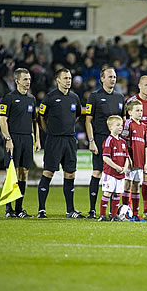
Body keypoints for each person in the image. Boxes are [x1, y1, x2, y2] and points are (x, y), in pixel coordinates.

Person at [36, 68, 83, 219]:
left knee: (70, 174)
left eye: (70, 77)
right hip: (54, 140)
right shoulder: (50, 97)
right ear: (58, 80)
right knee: (48, 172)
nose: (68, 80)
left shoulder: (75, 98)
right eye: (65, 78)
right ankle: (41, 210)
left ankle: (70, 210)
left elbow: (77, 116)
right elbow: (41, 117)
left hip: (69, 140)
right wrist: (49, 131)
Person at [0, 68, 41, 218]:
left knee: (24, 173)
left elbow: (35, 121)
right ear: (17, 81)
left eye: (29, 79)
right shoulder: (8, 98)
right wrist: (8, 139)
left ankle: (19, 208)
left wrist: (37, 139)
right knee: (12, 173)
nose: (28, 82)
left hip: (27, 139)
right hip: (14, 138)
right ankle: (8, 209)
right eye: (25, 79)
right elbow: (2, 120)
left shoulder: (32, 99)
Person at [85, 67, 125, 218]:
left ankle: (112, 212)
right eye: (109, 77)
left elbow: (122, 121)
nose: (113, 79)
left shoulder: (120, 97)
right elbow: (88, 121)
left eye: (114, 77)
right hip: (100, 139)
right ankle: (92, 209)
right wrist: (91, 141)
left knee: (116, 174)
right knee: (97, 172)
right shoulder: (94, 96)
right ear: (102, 79)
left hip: (116, 142)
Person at [126, 76, 147, 219]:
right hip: (134, 148)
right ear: (139, 85)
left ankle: (146, 210)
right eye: (146, 85)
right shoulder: (131, 102)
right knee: (131, 179)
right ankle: (126, 209)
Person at [97, 116, 130, 221]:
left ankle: (114, 215)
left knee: (117, 194)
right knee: (107, 192)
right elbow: (105, 158)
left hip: (120, 173)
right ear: (110, 127)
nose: (121, 127)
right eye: (118, 125)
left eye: (121, 125)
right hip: (110, 173)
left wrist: (124, 168)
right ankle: (102, 215)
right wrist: (116, 167)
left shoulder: (123, 142)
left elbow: (127, 158)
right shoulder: (109, 141)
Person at [122, 100, 147, 221]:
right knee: (127, 185)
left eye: (141, 110)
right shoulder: (128, 123)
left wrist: (145, 161)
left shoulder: (143, 126)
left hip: (140, 162)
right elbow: (124, 143)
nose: (140, 112)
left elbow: (145, 146)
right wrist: (128, 158)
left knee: (137, 186)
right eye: (137, 110)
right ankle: (126, 212)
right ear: (130, 112)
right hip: (131, 161)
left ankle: (136, 214)